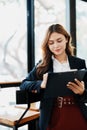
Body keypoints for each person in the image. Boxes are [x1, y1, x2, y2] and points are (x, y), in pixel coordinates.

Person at [20, 24, 87, 130]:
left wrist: (82, 92)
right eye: (51, 43)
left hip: (77, 111)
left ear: (66, 39)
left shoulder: (79, 63)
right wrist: (41, 84)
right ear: (47, 45)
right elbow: (23, 84)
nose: (56, 46)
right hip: (52, 114)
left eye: (59, 40)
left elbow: (85, 95)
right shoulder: (42, 65)